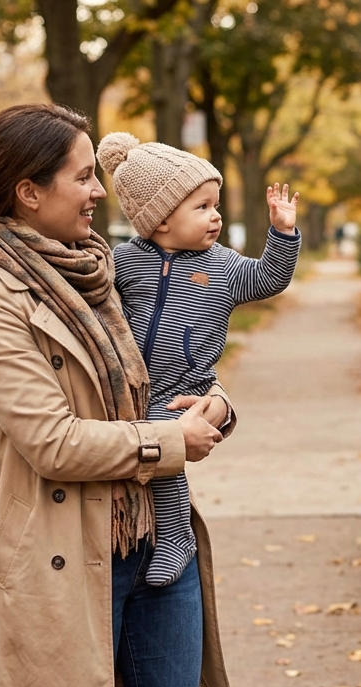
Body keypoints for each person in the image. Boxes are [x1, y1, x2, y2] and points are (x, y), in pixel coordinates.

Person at [0, 104, 236, 687]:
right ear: (28, 193)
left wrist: (215, 405)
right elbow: (54, 443)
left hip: (156, 537)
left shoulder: (100, 271)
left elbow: (171, 367)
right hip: (61, 557)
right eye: (82, 178)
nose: (98, 193)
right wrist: (170, 442)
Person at [95, 132, 299, 587]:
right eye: (202, 207)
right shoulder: (124, 262)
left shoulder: (222, 267)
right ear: (160, 220)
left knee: (164, 440)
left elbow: (269, 278)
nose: (216, 216)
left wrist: (282, 234)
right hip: (130, 383)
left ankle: (174, 535)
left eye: (216, 205)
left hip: (181, 387)